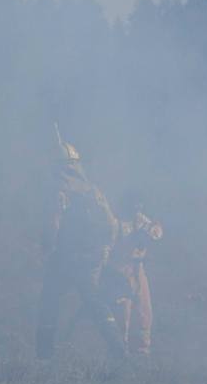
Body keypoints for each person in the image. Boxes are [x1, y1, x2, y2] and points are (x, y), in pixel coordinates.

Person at [36, 134, 124, 360]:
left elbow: (53, 224)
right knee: (96, 303)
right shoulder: (93, 191)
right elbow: (112, 225)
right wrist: (105, 250)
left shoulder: (58, 191)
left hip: (65, 258)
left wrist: (47, 248)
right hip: (90, 258)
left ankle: (44, 356)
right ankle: (119, 351)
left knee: (49, 302)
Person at [102, 192, 163, 355]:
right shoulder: (116, 222)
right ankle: (121, 352)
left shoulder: (140, 219)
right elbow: (108, 245)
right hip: (120, 271)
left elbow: (154, 231)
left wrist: (154, 230)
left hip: (138, 269)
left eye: (139, 207)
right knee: (123, 313)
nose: (137, 210)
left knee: (144, 309)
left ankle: (142, 350)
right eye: (135, 206)